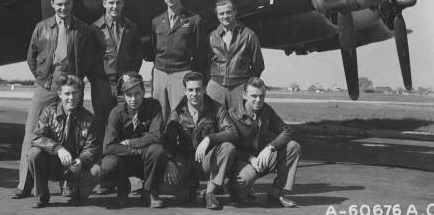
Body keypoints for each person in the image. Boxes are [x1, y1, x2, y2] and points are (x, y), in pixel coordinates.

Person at [13, 0, 93, 199]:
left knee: (71, 132)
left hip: (71, 82)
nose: (63, 8)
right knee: (31, 132)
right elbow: (31, 56)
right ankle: (24, 183)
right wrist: (42, 77)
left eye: (67, 4)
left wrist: (75, 81)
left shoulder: (82, 28)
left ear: (72, 4)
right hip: (47, 82)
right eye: (59, 4)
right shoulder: (42, 27)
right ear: (52, 5)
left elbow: (88, 57)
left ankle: (68, 183)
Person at [163, 72, 237, 210]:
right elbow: (168, 141)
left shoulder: (217, 108)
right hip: (185, 162)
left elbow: (232, 132)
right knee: (163, 186)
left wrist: (209, 138)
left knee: (228, 147)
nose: (194, 94)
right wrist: (169, 161)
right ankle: (188, 189)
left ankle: (210, 193)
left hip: (207, 162)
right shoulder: (177, 113)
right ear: (185, 91)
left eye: (198, 89)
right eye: (190, 90)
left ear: (204, 89)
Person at [93, 72, 166, 208]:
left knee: (157, 150)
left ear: (144, 91)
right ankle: (122, 189)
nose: (133, 99)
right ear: (123, 96)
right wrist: (137, 151)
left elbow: (156, 136)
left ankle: (149, 191)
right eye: (129, 95)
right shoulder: (116, 112)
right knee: (109, 163)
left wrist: (132, 143)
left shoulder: (154, 106)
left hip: (146, 161)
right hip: (124, 161)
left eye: (137, 93)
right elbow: (108, 147)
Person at [228, 77, 300, 208]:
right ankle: (237, 188)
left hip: (262, 158)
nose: (258, 100)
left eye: (262, 96)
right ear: (244, 95)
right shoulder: (232, 115)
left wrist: (270, 147)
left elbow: (287, 131)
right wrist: (250, 159)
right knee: (240, 191)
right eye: (254, 96)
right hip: (242, 162)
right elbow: (228, 148)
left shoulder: (266, 111)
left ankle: (276, 193)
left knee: (293, 146)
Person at [28, 75, 99, 208]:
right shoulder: (49, 112)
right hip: (54, 163)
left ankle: (77, 194)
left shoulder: (89, 118)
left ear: (80, 93)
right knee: (34, 154)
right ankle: (42, 194)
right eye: (67, 93)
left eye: (75, 93)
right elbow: (36, 137)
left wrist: (81, 160)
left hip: (75, 166)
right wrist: (57, 149)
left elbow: (92, 147)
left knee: (96, 171)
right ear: (60, 94)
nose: (71, 98)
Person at [151, 0, 207, 122]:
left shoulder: (194, 20)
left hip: (181, 73)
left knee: (181, 116)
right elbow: (153, 49)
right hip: (160, 74)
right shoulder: (157, 21)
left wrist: (192, 76)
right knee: (159, 115)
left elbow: (200, 53)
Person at [90, 0, 143, 133]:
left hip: (124, 84)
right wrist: (97, 79)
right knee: (102, 122)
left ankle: (123, 153)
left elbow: (137, 56)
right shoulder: (94, 29)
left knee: (125, 120)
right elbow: (88, 58)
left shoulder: (131, 28)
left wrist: (129, 77)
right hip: (102, 84)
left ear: (123, 4)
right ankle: (103, 154)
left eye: (118, 3)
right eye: (111, 2)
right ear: (104, 3)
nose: (115, 6)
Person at [207, 0, 264, 109]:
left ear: (235, 12)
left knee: (239, 122)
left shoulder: (249, 35)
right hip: (215, 86)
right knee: (213, 121)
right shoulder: (211, 37)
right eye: (221, 13)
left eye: (228, 12)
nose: (225, 16)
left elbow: (258, 65)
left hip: (239, 87)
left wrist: (247, 87)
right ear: (217, 16)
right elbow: (205, 63)